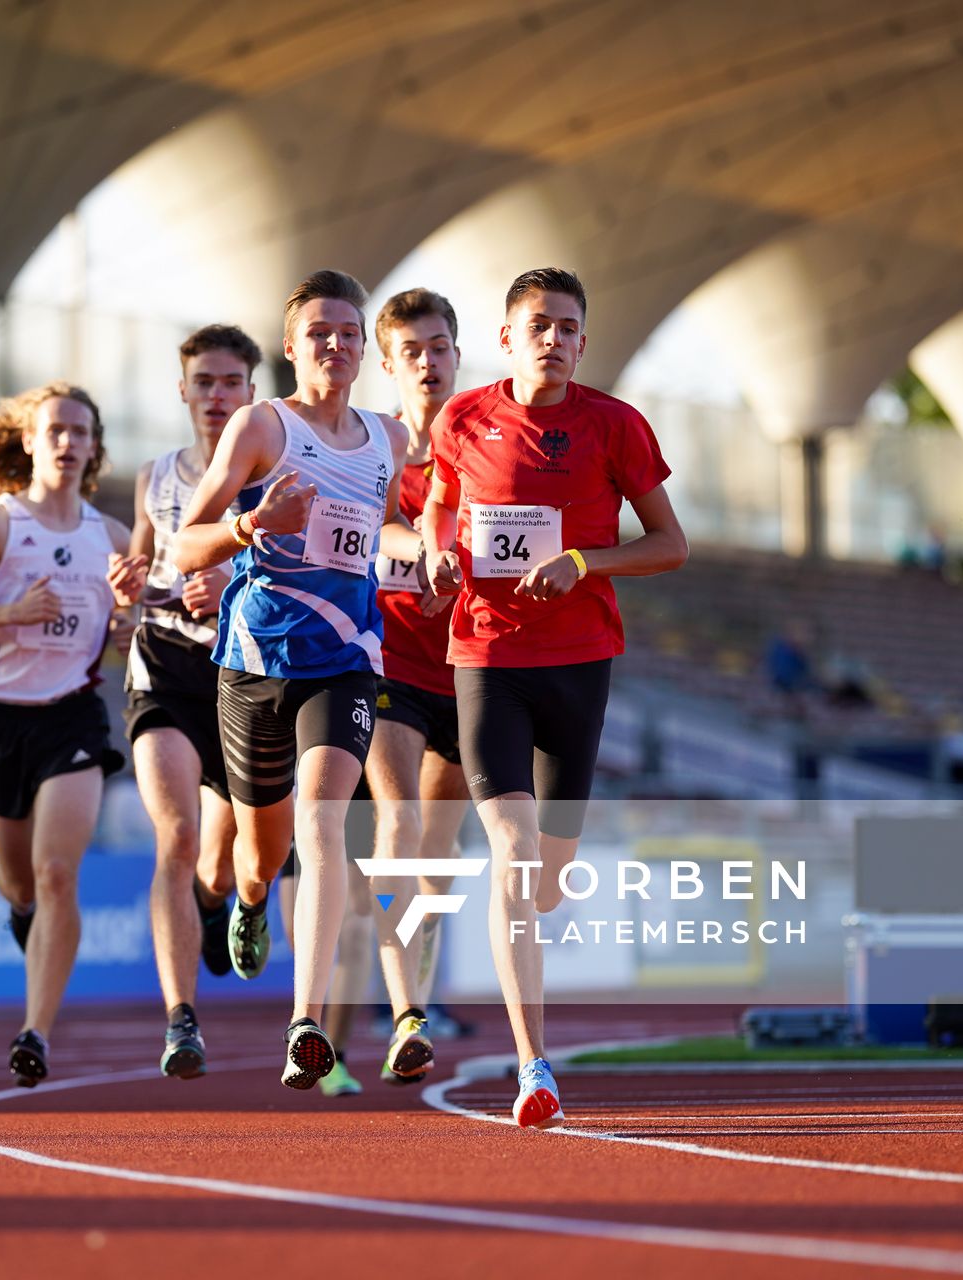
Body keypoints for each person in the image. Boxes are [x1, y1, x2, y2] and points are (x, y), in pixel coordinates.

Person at [422, 268, 687, 1127]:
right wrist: (436, 552)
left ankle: (541, 904)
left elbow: (671, 543)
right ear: (507, 338)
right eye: (539, 325)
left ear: (583, 341)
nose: (554, 339)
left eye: (569, 327)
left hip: (579, 663)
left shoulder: (615, 425)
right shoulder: (463, 419)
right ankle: (534, 1067)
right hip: (487, 657)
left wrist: (584, 562)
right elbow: (437, 506)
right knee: (514, 849)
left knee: (547, 879)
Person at [172, 269, 409, 1090]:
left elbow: (386, 530)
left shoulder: (388, 439)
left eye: (348, 333)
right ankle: (247, 902)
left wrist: (426, 554)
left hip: (344, 663)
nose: (334, 345)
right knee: (262, 855)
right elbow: (185, 546)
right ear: (290, 346)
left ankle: (304, 1021)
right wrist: (251, 523)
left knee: (322, 822)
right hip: (253, 663)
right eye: (318, 333)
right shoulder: (261, 426)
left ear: (363, 348)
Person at [0, 382, 146, 1088]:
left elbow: (134, 626)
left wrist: (129, 628)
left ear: (95, 446)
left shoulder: (112, 538)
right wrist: (7, 613)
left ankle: (34, 1031)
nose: (69, 443)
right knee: (19, 879)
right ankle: (20, 910)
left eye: (81, 432)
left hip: (72, 716)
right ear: (30, 441)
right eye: (56, 431)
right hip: (0, 720)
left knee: (57, 874)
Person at [124, 324, 264, 1079]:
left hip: (242, 673)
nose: (216, 396)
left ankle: (217, 905)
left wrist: (230, 579)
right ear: (183, 390)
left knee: (224, 864)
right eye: (203, 382)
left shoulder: (275, 475)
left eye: (229, 382)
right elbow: (143, 572)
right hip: (165, 665)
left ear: (252, 392)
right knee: (175, 837)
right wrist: (126, 587)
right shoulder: (155, 477)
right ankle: (181, 1020)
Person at [355, 286, 475, 1090]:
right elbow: (372, 527)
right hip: (389, 662)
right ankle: (405, 1014)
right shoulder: (372, 446)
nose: (427, 363)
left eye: (438, 348)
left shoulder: (488, 445)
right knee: (396, 825)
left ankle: (420, 994)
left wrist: (462, 568)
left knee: (438, 851)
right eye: (411, 352)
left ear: (457, 355)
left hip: (467, 669)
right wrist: (424, 550)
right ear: (389, 364)